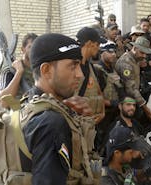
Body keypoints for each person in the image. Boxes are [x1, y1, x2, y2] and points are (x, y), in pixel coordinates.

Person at [22, 33, 97, 184]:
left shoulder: (30, 101)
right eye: (73, 66)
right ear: (46, 70)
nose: (80, 74)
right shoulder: (51, 123)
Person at [93, 40, 124, 155]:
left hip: (114, 113)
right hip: (103, 114)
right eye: (110, 52)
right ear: (102, 52)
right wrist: (113, 103)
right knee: (101, 144)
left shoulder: (112, 68)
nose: (114, 54)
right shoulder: (97, 70)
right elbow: (95, 96)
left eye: (115, 52)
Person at [115, 36, 151, 121]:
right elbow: (131, 88)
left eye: (145, 54)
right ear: (135, 48)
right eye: (142, 53)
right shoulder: (126, 63)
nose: (144, 56)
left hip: (134, 97)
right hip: (126, 100)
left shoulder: (135, 59)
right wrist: (144, 106)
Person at [0, 33, 38, 108]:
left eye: (37, 48)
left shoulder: (40, 69)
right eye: (30, 47)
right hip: (17, 111)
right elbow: (3, 102)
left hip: (37, 108)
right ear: (23, 49)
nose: (34, 51)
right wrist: (19, 73)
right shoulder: (10, 70)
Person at [76, 27, 107, 124]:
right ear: (89, 43)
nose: (98, 48)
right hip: (80, 125)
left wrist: (102, 113)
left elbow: (98, 90)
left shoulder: (90, 66)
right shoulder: (73, 67)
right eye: (97, 44)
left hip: (92, 125)